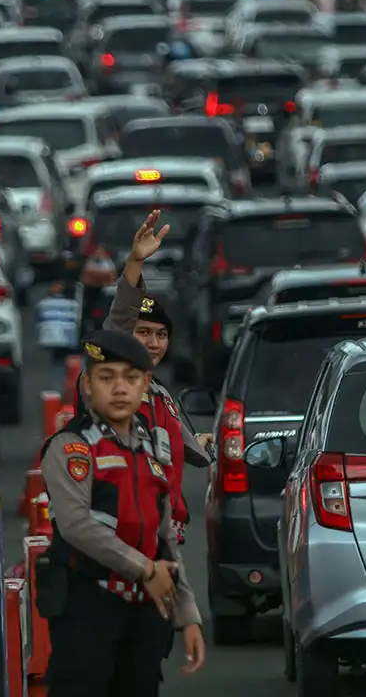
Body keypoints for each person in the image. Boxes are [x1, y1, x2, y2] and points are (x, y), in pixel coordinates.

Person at [38, 329, 206, 695]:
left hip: (144, 613)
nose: (119, 388)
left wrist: (187, 617)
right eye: (106, 377)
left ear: (145, 384)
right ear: (86, 385)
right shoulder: (72, 447)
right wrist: (145, 570)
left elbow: (166, 540)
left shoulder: (152, 447)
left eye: (130, 378)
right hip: (87, 608)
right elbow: (76, 526)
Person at [103, 212, 214, 544]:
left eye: (161, 334)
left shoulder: (159, 393)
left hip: (165, 541)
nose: (154, 342)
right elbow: (120, 321)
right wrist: (135, 263)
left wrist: (202, 446)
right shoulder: (118, 387)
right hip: (130, 541)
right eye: (144, 333)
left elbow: (178, 443)